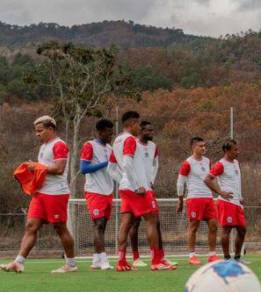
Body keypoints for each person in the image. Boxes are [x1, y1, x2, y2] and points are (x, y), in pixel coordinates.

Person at [1, 116, 78, 273]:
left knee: (60, 227)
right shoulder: (44, 146)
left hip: (56, 193)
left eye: (40, 131)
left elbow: (59, 169)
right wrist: (32, 170)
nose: (37, 134)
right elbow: (43, 168)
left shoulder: (59, 145)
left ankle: (70, 264)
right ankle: (18, 262)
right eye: (36, 131)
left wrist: (36, 166)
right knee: (31, 226)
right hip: (41, 193)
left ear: (50, 129)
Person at [113, 112, 175, 271]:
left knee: (126, 223)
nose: (139, 128)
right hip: (138, 188)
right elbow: (127, 163)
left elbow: (111, 167)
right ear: (132, 124)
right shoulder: (130, 140)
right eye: (138, 125)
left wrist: (124, 181)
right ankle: (156, 261)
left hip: (125, 187)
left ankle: (121, 261)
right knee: (152, 220)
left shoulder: (116, 140)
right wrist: (136, 185)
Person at [80, 118, 116, 270]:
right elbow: (84, 168)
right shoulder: (90, 145)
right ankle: (104, 260)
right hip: (95, 190)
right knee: (98, 225)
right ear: (100, 132)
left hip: (108, 191)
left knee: (103, 226)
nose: (110, 136)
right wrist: (105, 163)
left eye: (112, 133)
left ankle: (95, 260)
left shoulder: (110, 148)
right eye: (108, 133)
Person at [177, 136, 219, 265]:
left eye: (204, 146)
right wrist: (180, 200)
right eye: (201, 146)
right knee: (193, 227)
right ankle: (192, 255)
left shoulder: (207, 161)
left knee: (213, 225)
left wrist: (219, 191)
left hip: (208, 198)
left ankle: (212, 254)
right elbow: (180, 182)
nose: (203, 148)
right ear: (193, 147)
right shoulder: (187, 163)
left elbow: (212, 178)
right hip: (194, 198)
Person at [125, 121, 160, 268]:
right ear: (141, 131)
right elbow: (127, 164)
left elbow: (155, 164)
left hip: (148, 189)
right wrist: (135, 184)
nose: (151, 133)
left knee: (154, 221)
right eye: (148, 131)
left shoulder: (153, 147)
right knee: (134, 223)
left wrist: (151, 180)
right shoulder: (134, 144)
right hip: (135, 189)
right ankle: (135, 257)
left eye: (152, 130)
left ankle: (158, 257)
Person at [206, 139, 246, 261]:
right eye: (235, 150)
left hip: (237, 202)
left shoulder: (236, 163)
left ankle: (238, 258)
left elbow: (235, 181)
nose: (237, 152)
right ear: (226, 151)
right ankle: (227, 258)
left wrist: (240, 196)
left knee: (242, 230)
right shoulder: (220, 164)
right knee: (227, 230)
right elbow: (207, 179)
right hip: (226, 202)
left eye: (237, 149)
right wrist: (220, 192)